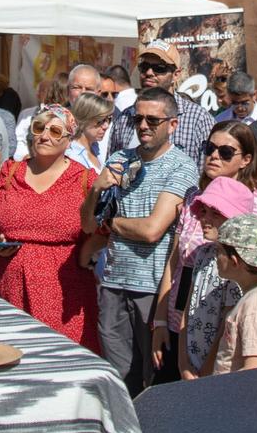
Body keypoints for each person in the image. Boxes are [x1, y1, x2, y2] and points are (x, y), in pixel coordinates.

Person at [85, 87, 198, 395]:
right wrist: (96, 190)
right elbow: (86, 224)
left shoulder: (182, 166)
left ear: (172, 125)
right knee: (118, 378)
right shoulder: (120, 158)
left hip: (152, 289)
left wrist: (109, 223)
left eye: (152, 120)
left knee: (151, 382)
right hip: (113, 282)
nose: (144, 126)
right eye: (138, 119)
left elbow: (152, 230)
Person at [0, 104, 100, 352]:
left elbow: (103, 228)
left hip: (63, 290)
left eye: (55, 131)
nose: (44, 136)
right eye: (39, 128)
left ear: (69, 139)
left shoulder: (84, 179)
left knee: (58, 359)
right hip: (6, 284)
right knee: (6, 355)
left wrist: (86, 253)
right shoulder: (11, 171)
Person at [154, 130, 257, 378]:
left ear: (246, 159)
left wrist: (201, 370)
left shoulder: (237, 261)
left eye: (224, 152)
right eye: (209, 148)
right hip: (183, 334)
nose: (213, 156)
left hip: (218, 357)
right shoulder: (196, 203)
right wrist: (162, 325)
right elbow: (176, 264)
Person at [206, 214, 257, 374]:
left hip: (239, 396)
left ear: (234, 261)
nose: (216, 257)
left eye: (219, 251)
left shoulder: (255, 305)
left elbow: (254, 370)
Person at [109, 42, 213, 160]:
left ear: (176, 75)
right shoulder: (125, 118)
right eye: (144, 67)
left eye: (159, 68)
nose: (149, 73)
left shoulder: (198, 119)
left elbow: (209, 172)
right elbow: (112, 166)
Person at [67, 92, 116, 174]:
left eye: (109, 119)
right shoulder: (71, 155)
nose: (106, 126)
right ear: (84, 119)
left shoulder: (96, 147)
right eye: (101, 120)